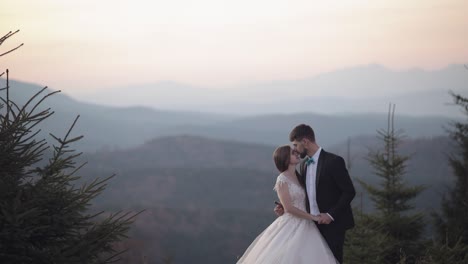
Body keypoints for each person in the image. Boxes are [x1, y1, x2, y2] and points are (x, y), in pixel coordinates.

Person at [237, 145, 338, 264]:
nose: (297, 154)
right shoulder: (282, 179)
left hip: (307, 224)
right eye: (292, 153)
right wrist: (313, 217)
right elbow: (289, 208)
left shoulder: (300, 176)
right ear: (285, 158)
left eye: (295, 152)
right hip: (293, 223)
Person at [274, 124, 356, 263]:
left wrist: (330, 215)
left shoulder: (334, 161)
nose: (294, 149)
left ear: (305, 142)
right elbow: (304, 193)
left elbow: (349, 192)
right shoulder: (303, 164)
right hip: (310, 226)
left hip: (332, 226)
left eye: (295, 144)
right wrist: (285, 206)